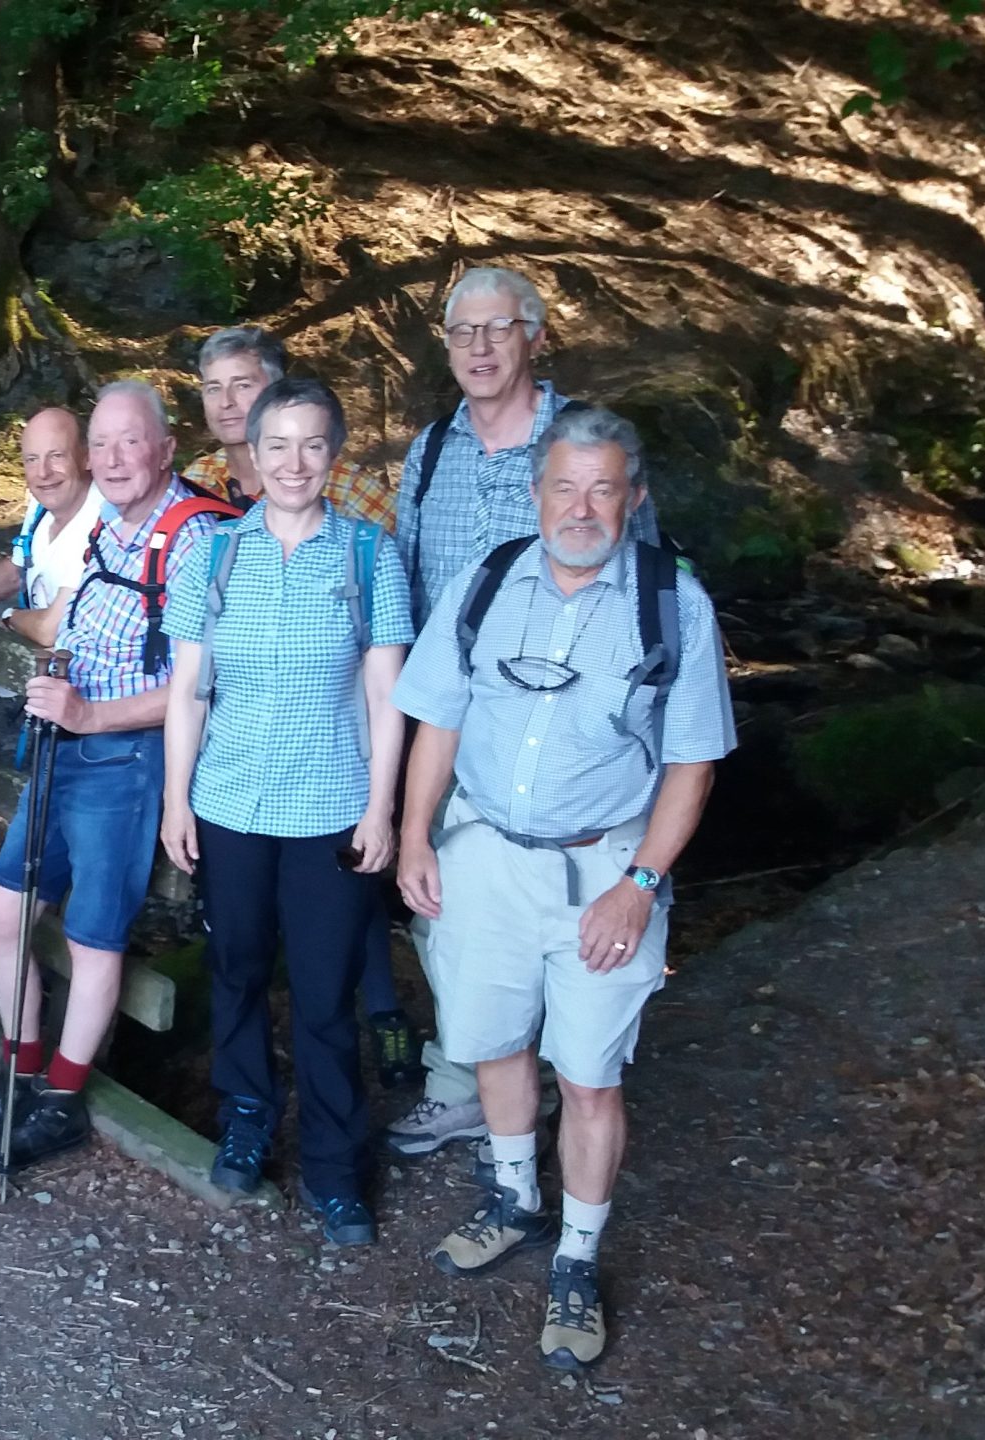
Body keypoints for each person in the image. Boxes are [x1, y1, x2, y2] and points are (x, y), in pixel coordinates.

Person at [393, 405, 733, 1370]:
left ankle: (577, 1260)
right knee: (492, 1040)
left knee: (588, 1075)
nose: (581, 509)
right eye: (564, 487)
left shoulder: (675, 604)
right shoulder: (487, 579)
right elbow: (439, 725)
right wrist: (417, 836)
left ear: (633, 497)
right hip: (485, 857)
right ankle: (515, 1198)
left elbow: (692, 766)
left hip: (605, 871)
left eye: (603, 489)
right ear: (538, 491)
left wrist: (639, 885)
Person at [384, 265, 665, 1162]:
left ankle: (555, 1091)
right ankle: (470, 1086)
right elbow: (408, 583)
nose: (478, 347)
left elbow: (648, 596)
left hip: (572, 751)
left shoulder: (584, 447)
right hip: (455, 738)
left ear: (534, 337)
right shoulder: (430, 451)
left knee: (562, 944)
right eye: (461, 332)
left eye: (497, 330)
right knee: (446, 919)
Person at [0, 381, 232, 1171]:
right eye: (101, 445)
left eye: (129, 442)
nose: (111, 458)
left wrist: (91, 715)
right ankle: (22, 1072)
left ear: (166, 450)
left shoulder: (193, 539)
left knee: (94, 936)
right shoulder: (109, 526)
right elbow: (71, 617)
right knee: (0, 914)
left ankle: (60, 1100)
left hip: (125, 758)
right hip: (66, 747)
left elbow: (201, 680)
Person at [158, 378, 411, 1245]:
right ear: (253, 457)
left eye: (311, 445)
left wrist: (383, 810)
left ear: (333, 455)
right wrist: (174, 801)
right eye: (278, 446)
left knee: (324, 993)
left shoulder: (369, 555)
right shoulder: (215, 555)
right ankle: (246, 1117)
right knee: (234, 970)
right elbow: (188, 690)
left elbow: (387, 695)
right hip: (229, 800)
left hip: (331, 806)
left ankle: (336, 1169)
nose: (294, 463)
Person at [184, 326, 397, 533]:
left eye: (242, 385)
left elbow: (409, 557)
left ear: (277, 391)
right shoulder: (197, 480)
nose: (225, 402)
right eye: (213, 388)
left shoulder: (345, 486)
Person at [0, 406, 101, 647]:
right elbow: (16, 573)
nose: (43, 473)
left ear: (87, 457)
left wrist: (11, 617)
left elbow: (51, 628)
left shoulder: (103, 523)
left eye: (57, 456)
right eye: (32, 459)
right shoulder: (42, 505)